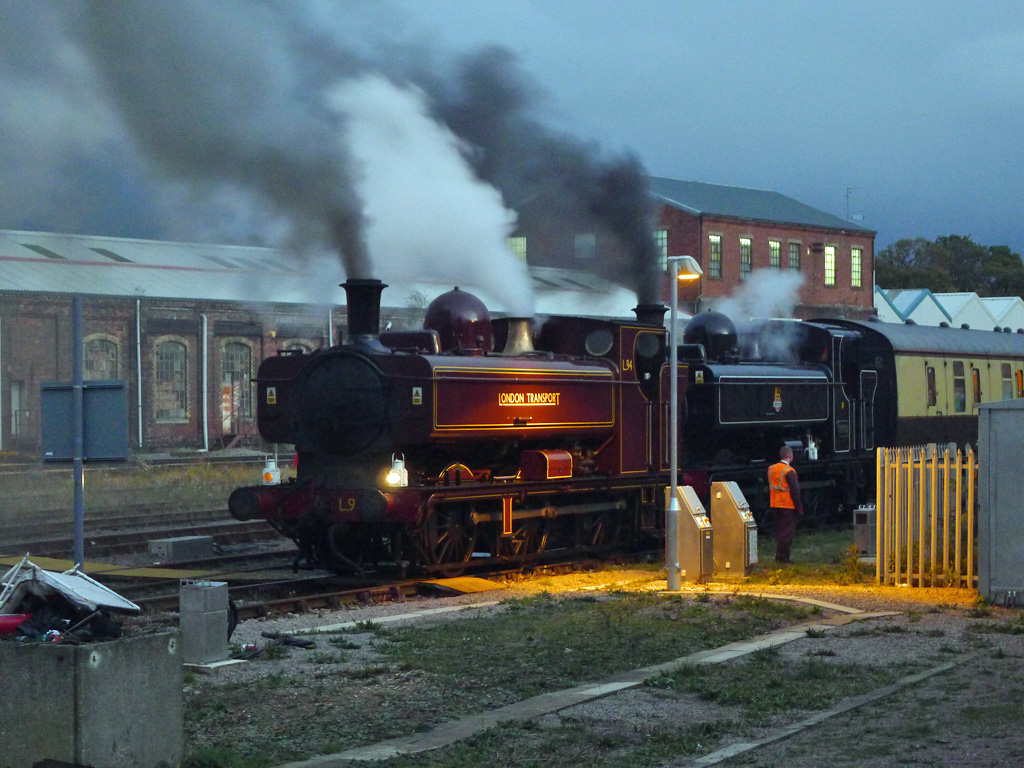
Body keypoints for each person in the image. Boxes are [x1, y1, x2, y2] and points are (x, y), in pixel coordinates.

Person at [768, 445, 803, 564]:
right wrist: (799, 507)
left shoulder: (771, 468)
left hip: (774, 504)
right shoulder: (790, 471)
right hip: (787, 506)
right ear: (790, 456)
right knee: (787, 533)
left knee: (780, 531)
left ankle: (779, 555)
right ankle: (783, 557)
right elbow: (795, 492)